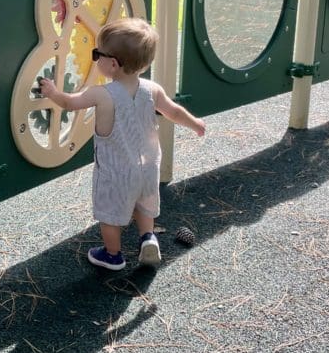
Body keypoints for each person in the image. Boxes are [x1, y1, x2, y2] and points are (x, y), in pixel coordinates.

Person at [39, 17, 206, 271]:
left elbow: (70, 103)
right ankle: (148, 238)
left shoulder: (101, 94)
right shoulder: (152, 89)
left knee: (110, 215)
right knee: (145, 205)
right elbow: (173, 112)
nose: (96, 59)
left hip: (115, 172)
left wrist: (52, 92)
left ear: (113, 64)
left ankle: (112, 255)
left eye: (97, 55)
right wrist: (195, 124)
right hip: (149, 168)